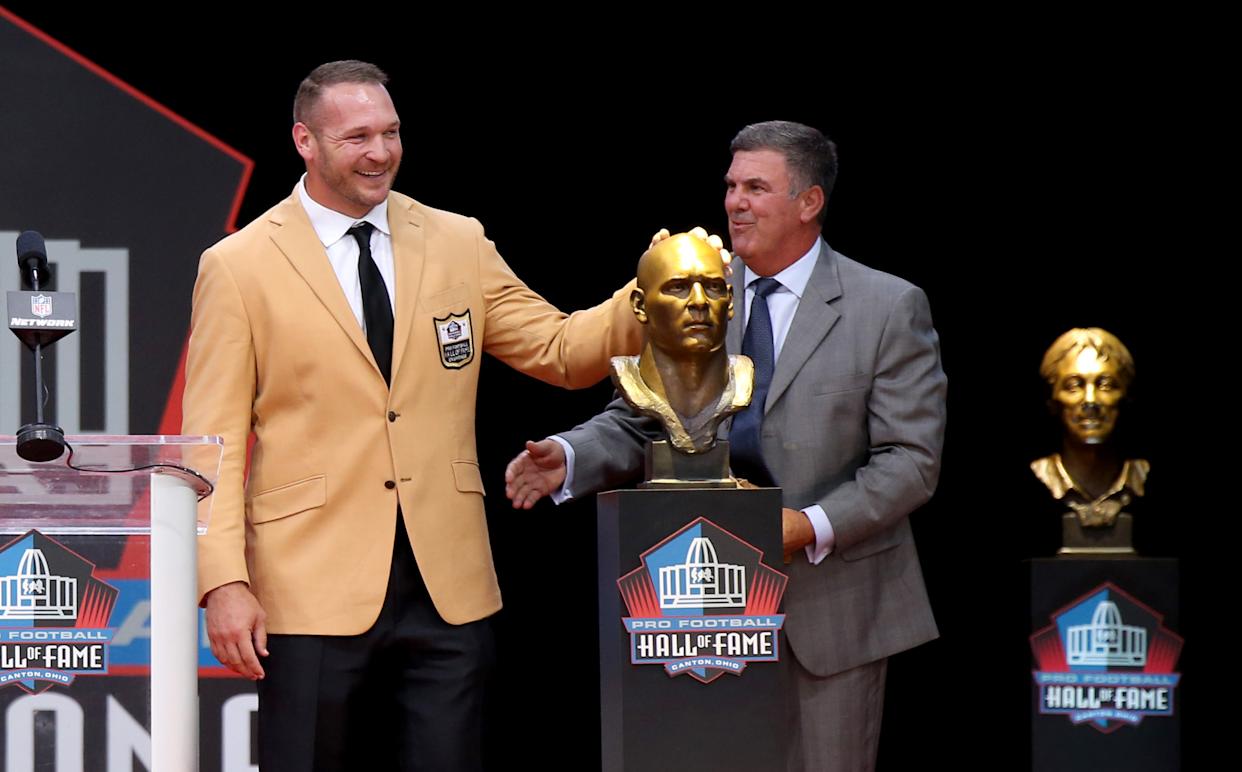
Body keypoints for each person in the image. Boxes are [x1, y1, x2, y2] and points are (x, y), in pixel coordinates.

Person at [181, 60, 640, 771]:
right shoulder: (239, 265)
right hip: (306, 587)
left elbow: (559, 350)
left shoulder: (456, 240)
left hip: (446, 587)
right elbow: (208, 443)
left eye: (391, 133)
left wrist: (647, 294)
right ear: (305, 141)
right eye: (357, 137)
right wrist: (222, 581)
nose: (381, 152)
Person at [505, 120, 947, 771]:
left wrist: (810, 526)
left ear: (809, 201)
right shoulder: (695, 290)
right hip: (697, 607)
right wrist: (567, 457)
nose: (735, 203)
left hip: (830, 611)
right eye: (731, 186)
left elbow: (911, 461)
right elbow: (638, 420)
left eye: (756, 188)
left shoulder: (886, 306)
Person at [611, 230, 751, 453]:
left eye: (713, 287)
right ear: (640, 306)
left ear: (730, 301)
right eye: (678, 287)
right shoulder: (632, 382)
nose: (699, 301)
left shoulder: (742, 381)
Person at [1030, 327, 1148, 528]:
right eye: (1074, 386)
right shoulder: (1040, 474)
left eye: (1106, 385)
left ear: (1125, 396)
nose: (1091, 401)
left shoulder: (1142, 474)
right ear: (1053, 401)